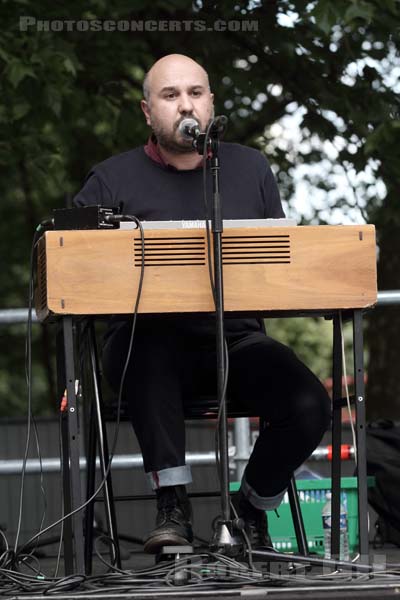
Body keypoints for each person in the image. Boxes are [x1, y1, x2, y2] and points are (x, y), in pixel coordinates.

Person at [74, 54, 331, 554]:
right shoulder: (109, 179)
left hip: (234, 341)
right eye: (170, 96)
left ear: (211, 102)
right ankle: (173, 506)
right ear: (148, 111)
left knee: (308, 402)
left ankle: (248, 510)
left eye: (195, 92)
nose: (185, 104)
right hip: (145, 347)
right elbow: (77, 270)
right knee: (146, 348)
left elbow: (278, 263)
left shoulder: (251, 167)